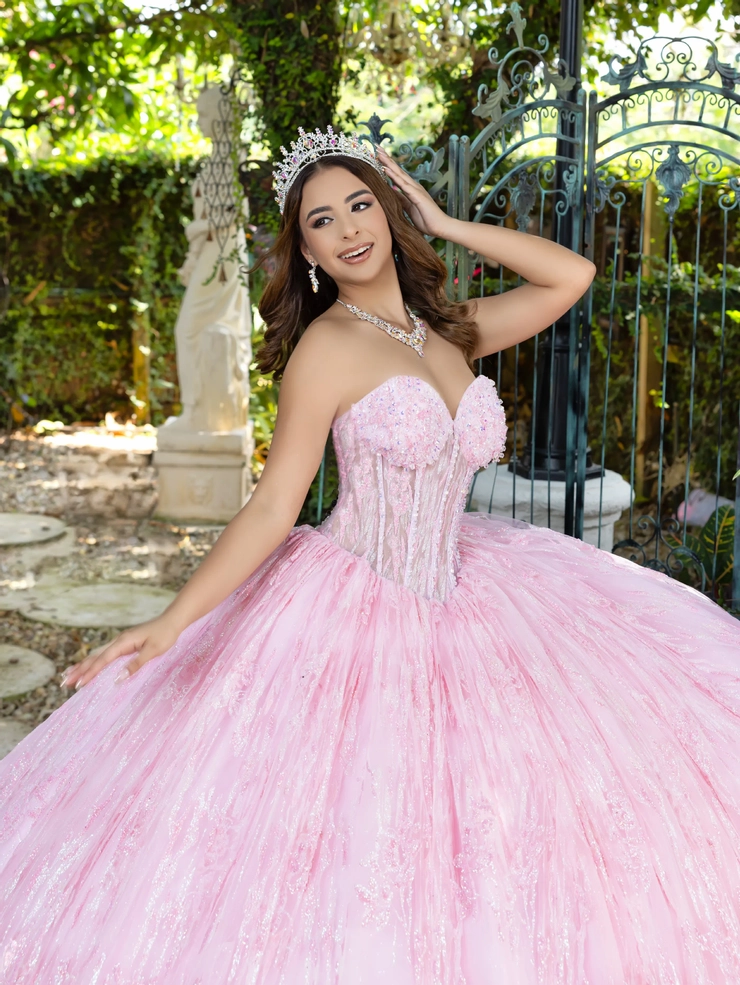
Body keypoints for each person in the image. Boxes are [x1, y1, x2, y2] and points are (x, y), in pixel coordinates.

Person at [1, 127, 739, 985]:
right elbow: (274, 505)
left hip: (469, 586)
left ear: (388, 213)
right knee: (349, 828)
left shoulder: (451, 330)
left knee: (506, 810)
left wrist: (444, 222)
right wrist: (172, 621)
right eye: (322, 220)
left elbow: (569, 275)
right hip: (354, 598)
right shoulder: (326, 349)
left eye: (360, 205)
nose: (349, 228)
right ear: (307, 251)